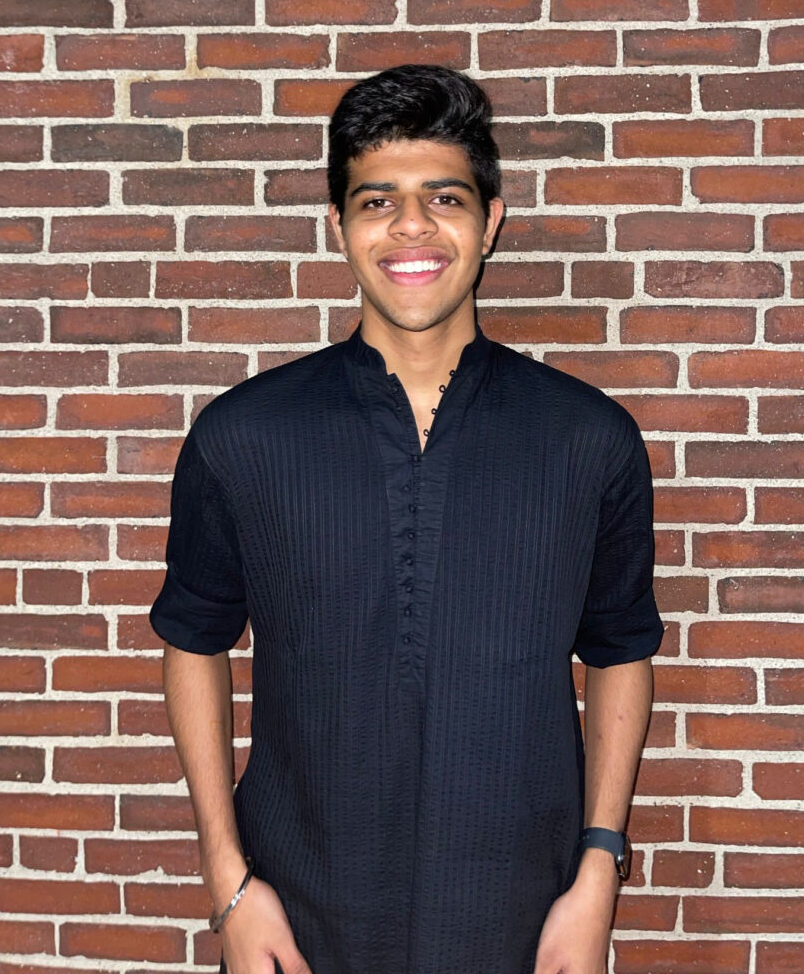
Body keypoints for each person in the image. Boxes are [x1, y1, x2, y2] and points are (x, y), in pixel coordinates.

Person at [150, 64, 664, 974]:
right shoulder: (244, 434)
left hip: (524, 920)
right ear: (340, 228)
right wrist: (228, 884)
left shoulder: (589, 438)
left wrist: (599, 876)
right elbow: (194, 639)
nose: (412, 227)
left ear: (490, 221)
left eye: (445, 198)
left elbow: (620, 648)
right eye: (377, 199)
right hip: (297, 924)